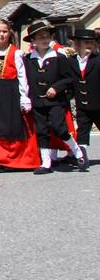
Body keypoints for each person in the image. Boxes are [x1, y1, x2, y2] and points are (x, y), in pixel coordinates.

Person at [23, 19, 86, 174]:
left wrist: (56, 88)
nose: (45, 40)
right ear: (33, 41)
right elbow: (24, 80)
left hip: (55, 101)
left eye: (47, 36)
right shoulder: (28, 59)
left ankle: (77, 151)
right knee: (42, 131)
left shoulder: (59, 57)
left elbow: (68, 78)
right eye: (40, 37)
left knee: (59, 128)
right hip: (37, 101)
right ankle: (46, 162)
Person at [0, 18, 39, 171]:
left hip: (13, 90)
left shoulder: (16, 52)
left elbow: (22, 76)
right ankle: (1, 158)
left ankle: (19, 160)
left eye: (5, 31)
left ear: (9, 33)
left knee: (15, 125)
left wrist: (24, 96)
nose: (2, 35)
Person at [70, 27, 97, 167]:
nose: (88, 46)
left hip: (98, 103)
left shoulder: (97, 60)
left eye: (91, 43)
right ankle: (82, 156)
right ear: (77, 44)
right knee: (82, 129)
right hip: (82, 104)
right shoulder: (71, 61)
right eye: (85, 43)